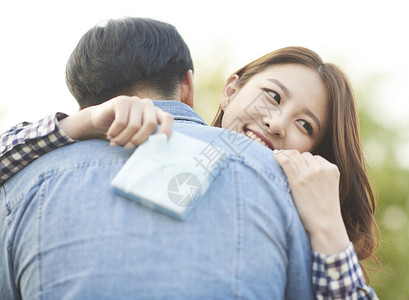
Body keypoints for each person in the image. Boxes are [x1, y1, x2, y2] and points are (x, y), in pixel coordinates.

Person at [0, 17, 379, 299]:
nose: (276, 123)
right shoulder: (279, 195)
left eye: (306, 125)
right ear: (225, 89)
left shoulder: (29, 177)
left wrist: (329, 224)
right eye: (274, 97)